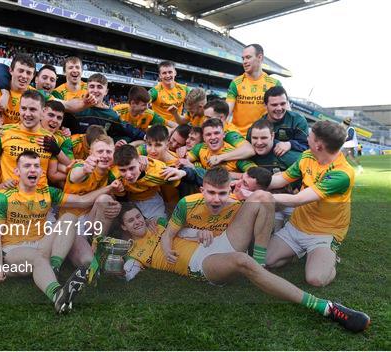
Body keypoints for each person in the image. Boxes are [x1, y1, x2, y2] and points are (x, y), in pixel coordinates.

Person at [119, 197, 370, 333]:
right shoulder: (132, 254)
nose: (137, 222)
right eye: (130, 221)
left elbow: (184, 229)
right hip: (203, 264)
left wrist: (199, 233)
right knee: (242, 260)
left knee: (261, 198)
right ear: (124, 228)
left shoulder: (159, 224)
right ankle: (326, 308)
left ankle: (260, 265)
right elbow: (126, 274)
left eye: (138, 217)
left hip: (215, 243)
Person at [0, 150, 124, 313]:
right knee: (37, 258)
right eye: (27, 166)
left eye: (36, 166)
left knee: (69, 218)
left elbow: (81, 201)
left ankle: (54, 267)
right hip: (14, 251)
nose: (32, 170)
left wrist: (109, 187)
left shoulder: (47, 192)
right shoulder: (3, 197)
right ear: (17, 171)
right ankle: (58, 295)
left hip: (41, 245)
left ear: (40, 171)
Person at [265, 121, 354, 287]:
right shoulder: (307, 155)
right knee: (267, 261)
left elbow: (298, 199)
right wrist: (252, 181)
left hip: (324, 233)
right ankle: (299, 253)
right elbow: (283, 178)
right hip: (297, 226)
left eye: (310, 136)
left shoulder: (342, 173)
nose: (307, 138)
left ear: (319, 145)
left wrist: (263, 196)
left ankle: (329, 257)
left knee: (316, 279)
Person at [0, 90, 62, 192]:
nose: (27, 114)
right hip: (11, 201)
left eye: (33, 109)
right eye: (23, 108)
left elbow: (53, 174)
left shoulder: (50, 138)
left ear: (43, 112)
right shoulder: (4, 133)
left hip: (39, 202)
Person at [63, 135, 121, 266]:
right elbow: (75, 176)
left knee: (106, 199)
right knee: (87, 261)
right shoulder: (81, 165)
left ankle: (98, 245)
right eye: (100, 151)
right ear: (90, 153)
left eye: (109, 152)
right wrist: (84, 170)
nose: (105, 155)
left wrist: (117, 204)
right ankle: (91, 256)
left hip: (90, 220)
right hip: (72, 224)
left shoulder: (110, 172)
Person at [112, 144, 186, 219]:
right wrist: (120, 192)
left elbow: (181, 183)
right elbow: (122, 202)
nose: (128, 175)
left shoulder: (157, 171)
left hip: (152, 202)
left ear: (139, 162)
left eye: (131, 168)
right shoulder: (115, 176)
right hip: (131, 202)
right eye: (123, 170)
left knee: (158, 226)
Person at [226, 44, 282, 136]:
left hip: (262, 137)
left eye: (248, 57)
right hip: (238, 135)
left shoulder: (274, 84)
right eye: (243, 58)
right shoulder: (236, 83)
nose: (244, 61)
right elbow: (226, 113)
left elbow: (286, 112)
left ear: (260, 57)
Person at [247, 86, 308, 160]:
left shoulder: (298, 120)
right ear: (265, 105)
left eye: (283, 104)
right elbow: (248, 150)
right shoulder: (256, 127)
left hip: (292, 166)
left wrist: (290, 144)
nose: (279, 108)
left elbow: (307, 147)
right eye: (274, 105)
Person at [187, 118, 256, 180]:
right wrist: (196, 166)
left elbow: (256, 175)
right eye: (208, 134)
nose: (213, 137)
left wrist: (228, 175)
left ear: (224, 134)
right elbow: (183, 161)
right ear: (204, 138)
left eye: (216, 133)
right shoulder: (200, 148)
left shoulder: (235, 154)